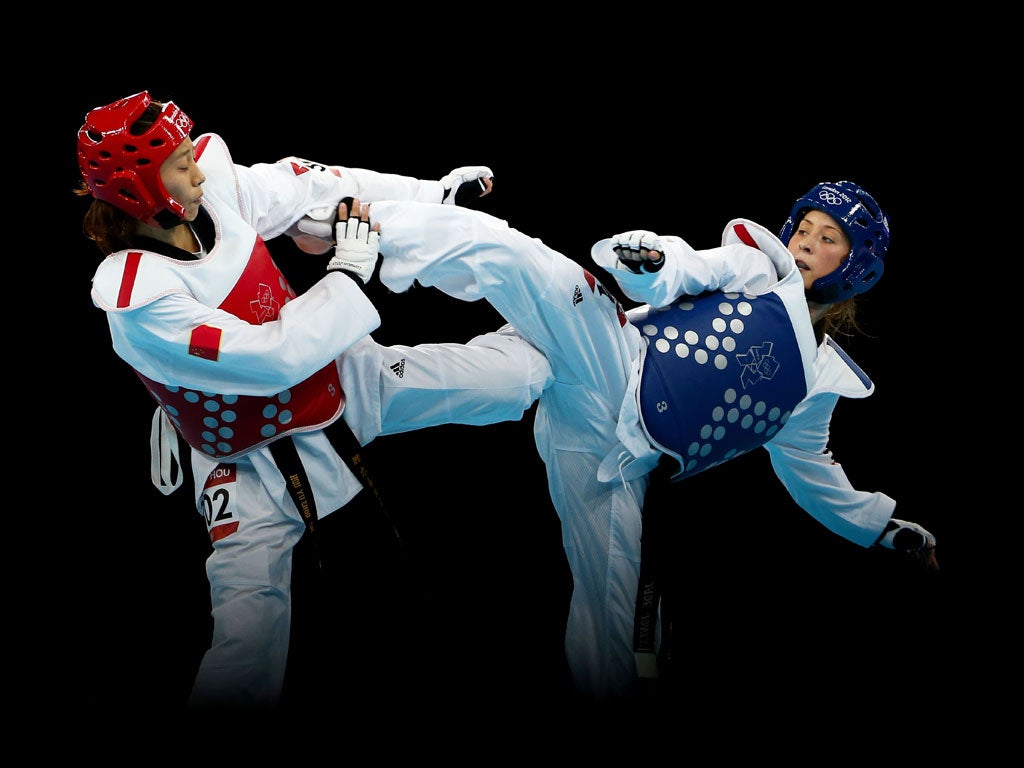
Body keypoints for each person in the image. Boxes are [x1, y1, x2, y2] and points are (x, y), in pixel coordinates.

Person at [323, 180, 939, 700]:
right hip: (614, 356)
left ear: (854, 266)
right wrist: (646, 261)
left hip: (615, 458)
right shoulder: (760, 268)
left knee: (611, 625)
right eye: (805, 227)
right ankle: (349, 224)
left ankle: (354, 391)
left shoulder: (820, 382)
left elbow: (811, 466)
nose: (806, 241)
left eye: (828, 238)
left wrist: (881, 527)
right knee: (521, 262)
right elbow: (688, 268)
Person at [75, 91, 553, 710]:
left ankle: (605, 346)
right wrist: (347, 274)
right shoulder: (142, 302)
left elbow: (311, 187)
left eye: (192, 155)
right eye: (179, 165)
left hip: (340, 381)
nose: (198, 171)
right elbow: (272, 359)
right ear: (141, 190)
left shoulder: (214, 188)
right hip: (246, 462)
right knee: (245, 654)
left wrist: (428, 199)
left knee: (512, 381)